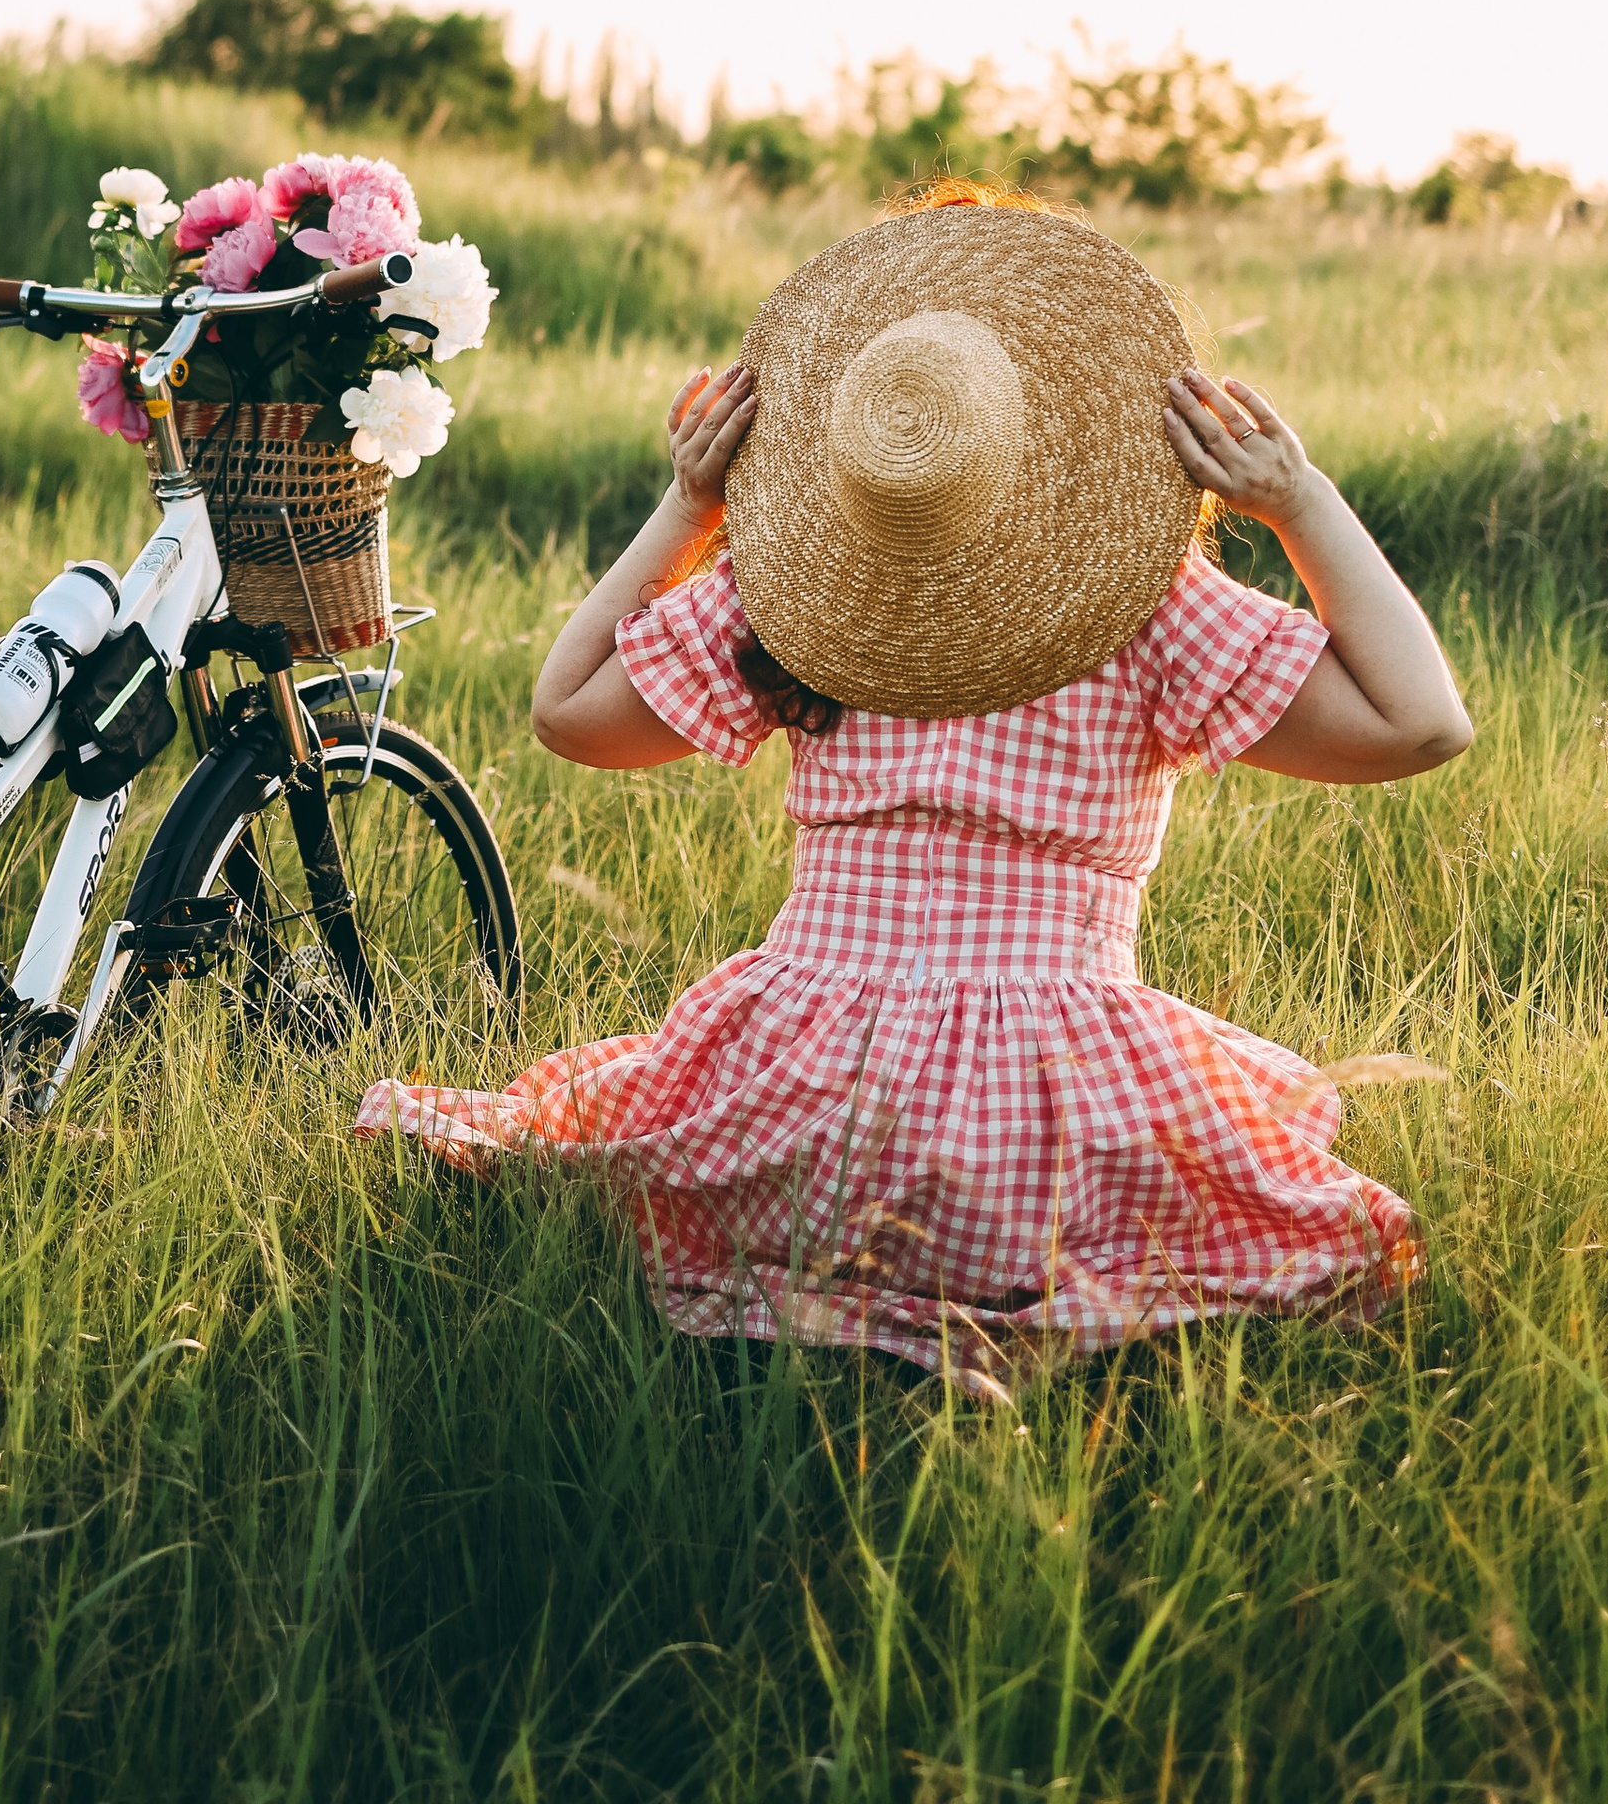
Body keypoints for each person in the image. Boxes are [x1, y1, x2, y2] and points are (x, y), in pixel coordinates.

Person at [354, 188, 1472, 1393]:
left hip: (803, 1086)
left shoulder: (794, 606)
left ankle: (849, 1317)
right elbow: (1421, 725)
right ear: (1064, 420)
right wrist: (1296, 500)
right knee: (1312, 1241)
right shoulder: (1146, 616)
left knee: (582, 1167)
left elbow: (566, 708)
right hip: (1048, 1096)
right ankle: (1004, 1331)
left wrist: (692, 506)